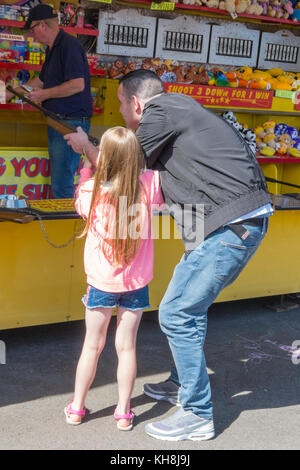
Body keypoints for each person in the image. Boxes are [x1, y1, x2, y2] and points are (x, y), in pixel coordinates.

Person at [64, 69, 272, 441]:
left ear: (137, 104)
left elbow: (121, 171)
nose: (125, 120)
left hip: (228, 227)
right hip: (219, 226)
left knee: (177, 313)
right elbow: (142, 178)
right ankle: (182, 383)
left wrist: (85, 148)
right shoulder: (180, 111)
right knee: (186, 310)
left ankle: (197, 413)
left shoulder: (160, 113)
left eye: (122, 108)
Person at [64, 126, 164, 430]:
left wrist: (86, 164)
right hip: (136, 286)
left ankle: (77, 408)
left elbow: (82, 202)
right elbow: (151, 180)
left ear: (103, 156)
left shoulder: (90, 189)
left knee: (91, 346)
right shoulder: (150, 184)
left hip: (100, 284)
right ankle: (123, 411)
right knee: (127, 348)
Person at [6, 3, 93, 199]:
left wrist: (45, 95)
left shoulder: (69, 46)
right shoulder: (53, 48)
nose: (32, 35)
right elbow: (41, 81)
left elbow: (77, 84)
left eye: (32, 29)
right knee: (60, 180)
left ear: (42, 25)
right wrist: (10, 93)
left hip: (70, 122)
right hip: (59, 121)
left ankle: (65, 224)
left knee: (62, 184)